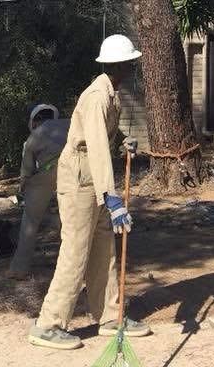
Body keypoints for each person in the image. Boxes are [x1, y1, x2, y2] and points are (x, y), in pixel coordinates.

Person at [28, 35, 151, 351]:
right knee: (76, 250)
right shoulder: (97, 95)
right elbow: (95, 147)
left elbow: (104, 134)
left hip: (92, 173)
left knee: (104, 248)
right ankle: (49, 324)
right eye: (130, 63)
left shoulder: (112, 94)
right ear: (119, 65)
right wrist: (112, 199)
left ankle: (109, 315)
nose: (133, 68)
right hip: (81, 177)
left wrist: (122, 139)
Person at [8, 102, 69, 280]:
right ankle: (71, 266)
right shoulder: (69, 124)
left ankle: (19, 268)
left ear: (34, 121)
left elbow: (26, 170)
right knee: (69, 218)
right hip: (74, 171)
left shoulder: (34, 136)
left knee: (30, 220)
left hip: (47, 173)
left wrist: (23, 187)